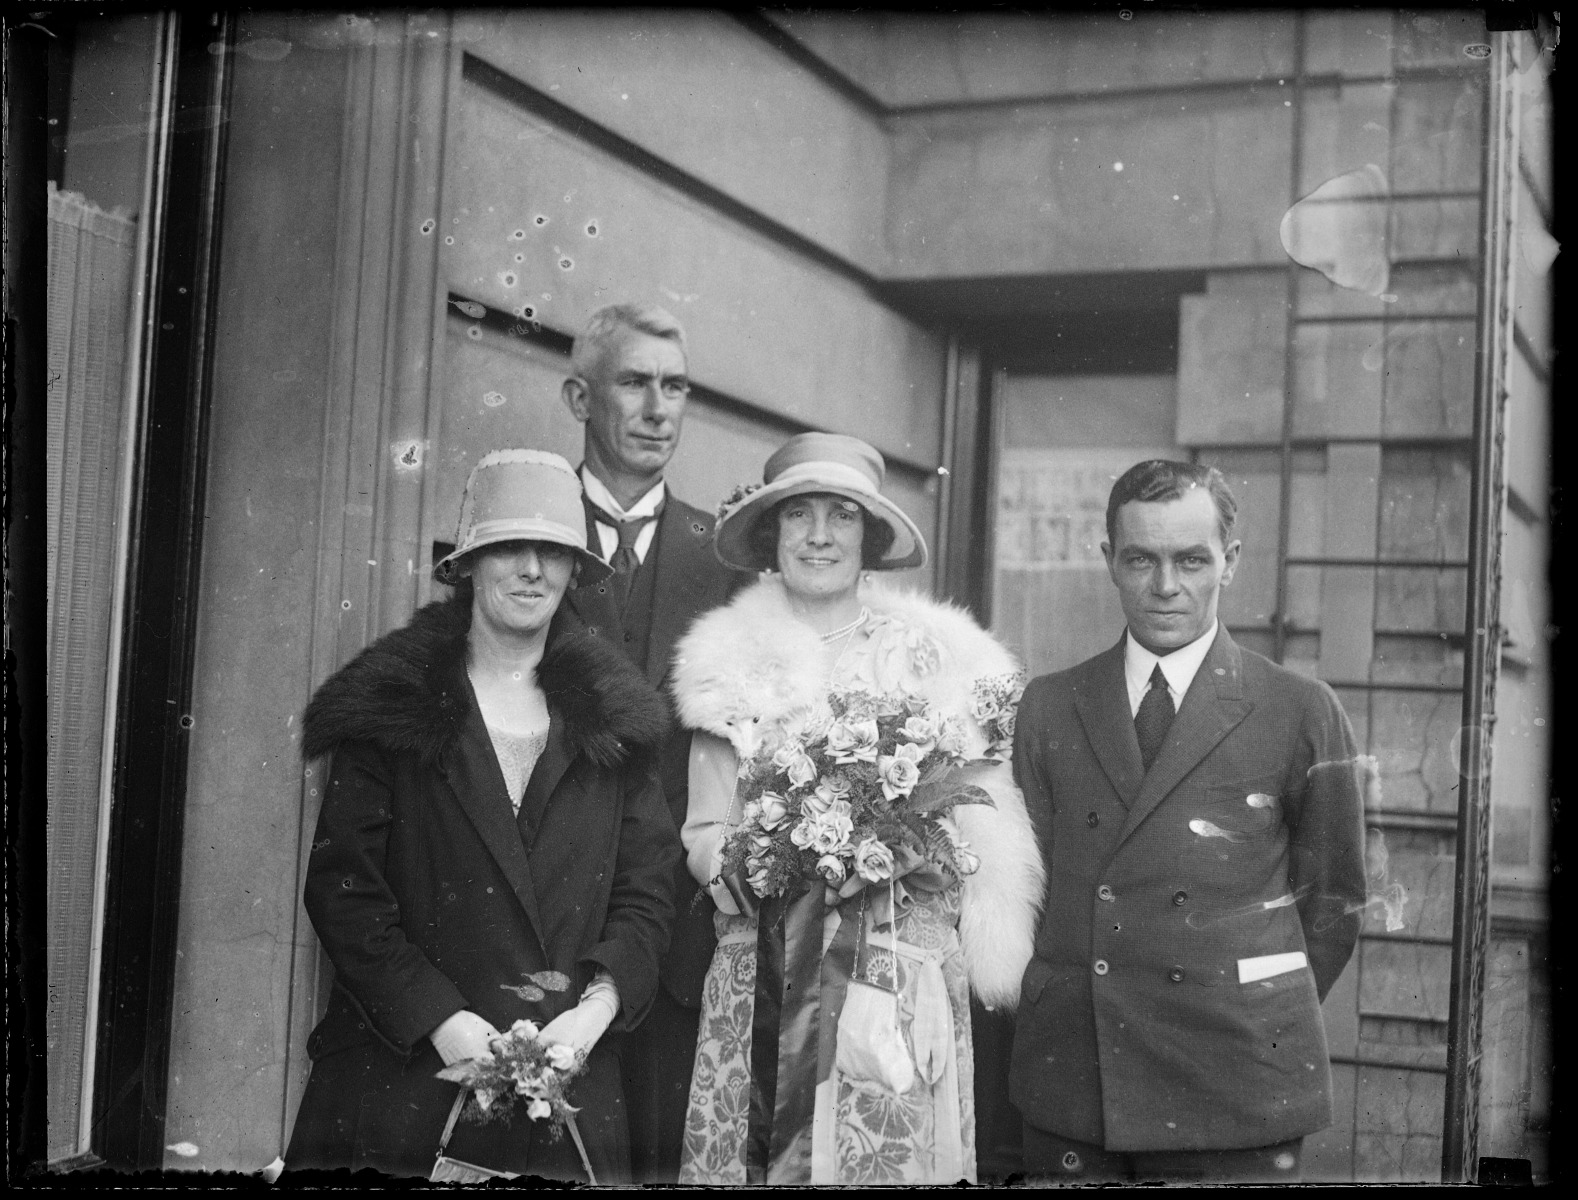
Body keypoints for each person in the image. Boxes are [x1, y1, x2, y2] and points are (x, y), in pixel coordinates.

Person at [284, 450, 679, 1181]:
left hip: (570, 1089)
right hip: (406, 1081)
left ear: (573, 569)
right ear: (469, 563)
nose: (532, 569)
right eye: (508, 546)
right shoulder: (393, 707)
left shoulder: (616, 722)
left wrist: (592, 1017)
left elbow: (648, 890)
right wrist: (444, 1022)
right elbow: (346, 894)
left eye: (553, 551)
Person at [670, 432, 1046, 1185]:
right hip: (765, 971)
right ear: (772, 534)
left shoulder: (934, 660)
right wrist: (780, 855)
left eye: (840, 515)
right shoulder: (729, 664)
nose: (818, 536)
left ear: (869, 535)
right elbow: (707, 833)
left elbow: (978, 830)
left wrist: (898, 849)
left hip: (895, 974)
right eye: (798, 514)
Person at [1008, 458, 1368, 1184]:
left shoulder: (1298, 708)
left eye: (1191, 560)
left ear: (1229, 563)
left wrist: (1244, 1004)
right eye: (1141, 559)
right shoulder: (1049, 706)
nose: (1165, 586)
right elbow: (1027, 895)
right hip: (1081, 1078)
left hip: (1232, 1079)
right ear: (1109, 560)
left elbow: (1333, 904)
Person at [558, 303, 739, 1182]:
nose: (658, 408)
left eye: (675, 387)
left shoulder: (728, 560)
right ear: (579, 396)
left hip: (679, 954)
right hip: (547, 936)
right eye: (634, 383)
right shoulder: (525, 541)